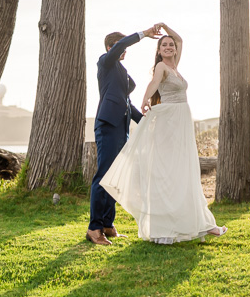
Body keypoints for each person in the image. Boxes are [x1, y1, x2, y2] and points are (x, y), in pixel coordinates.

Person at [100, 23, 227, 244]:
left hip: (182, 121)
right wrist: (145, 99)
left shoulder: (176, 66)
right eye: (164, 45)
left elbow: (180, 39)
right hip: (169, 119)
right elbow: (154, 83)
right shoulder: (161, 68)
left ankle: (200, 223)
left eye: (170, 45)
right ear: (158, 51)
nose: (169, 47)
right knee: (168, 168)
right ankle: (164, 226)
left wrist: (166, 28)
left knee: (184, 168)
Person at [86, 25, 160, 246]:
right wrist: (142, 35)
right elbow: (120, 46)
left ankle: (108, 224)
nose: (123, 52)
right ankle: (94, 228)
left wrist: (145, 120)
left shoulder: (120, 71)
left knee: (115, 177)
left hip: (121, 128)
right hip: (107, 126)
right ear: (111, 48)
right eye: (119, 48)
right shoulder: (105, 62)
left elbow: (126, 102)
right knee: (104, 175)